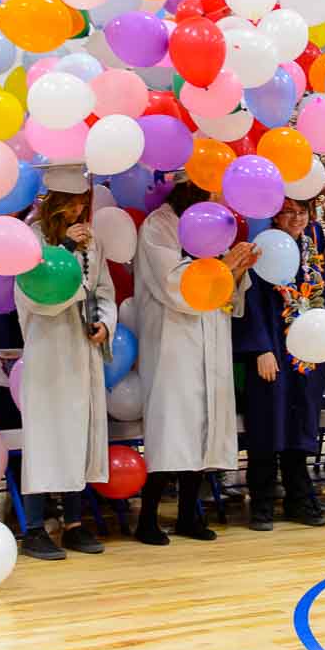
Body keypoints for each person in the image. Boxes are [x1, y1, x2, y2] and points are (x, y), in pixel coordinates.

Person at [134, 180, 257, 544]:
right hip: (174, 338)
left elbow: (225, 292)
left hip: (211, 334)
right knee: (171, 427)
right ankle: (148, 519)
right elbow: (174, 285)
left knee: (204, 425)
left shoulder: (216, 224)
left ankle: (189, 514)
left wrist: (237, 269)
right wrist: (224, 269)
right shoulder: (160, 225)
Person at [14, 166, 115, 561]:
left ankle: (74, 522)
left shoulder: (93, 242)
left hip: (82, 351)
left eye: (82, 203)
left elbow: (102, 288)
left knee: (79, 433)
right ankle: (35, 527)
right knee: (46, 435)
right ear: (53, 204)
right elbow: (38, 298)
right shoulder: (32, 241)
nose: (77, 211)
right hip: (49, 351)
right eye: (70, 203)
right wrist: (68, 252)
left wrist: (105, 322)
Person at [232, 195, 325, 532]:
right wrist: (259, 347)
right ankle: (261, 501)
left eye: (302, 212)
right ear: (275, 214)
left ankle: (298, 497)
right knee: (267, 422)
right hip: (271, 348)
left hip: (305, 352)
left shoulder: (314, 251)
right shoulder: (264, 247)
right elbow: (251, 298)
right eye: (289, 211)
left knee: (301, 422)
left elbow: (324, 298)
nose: (297, 218)